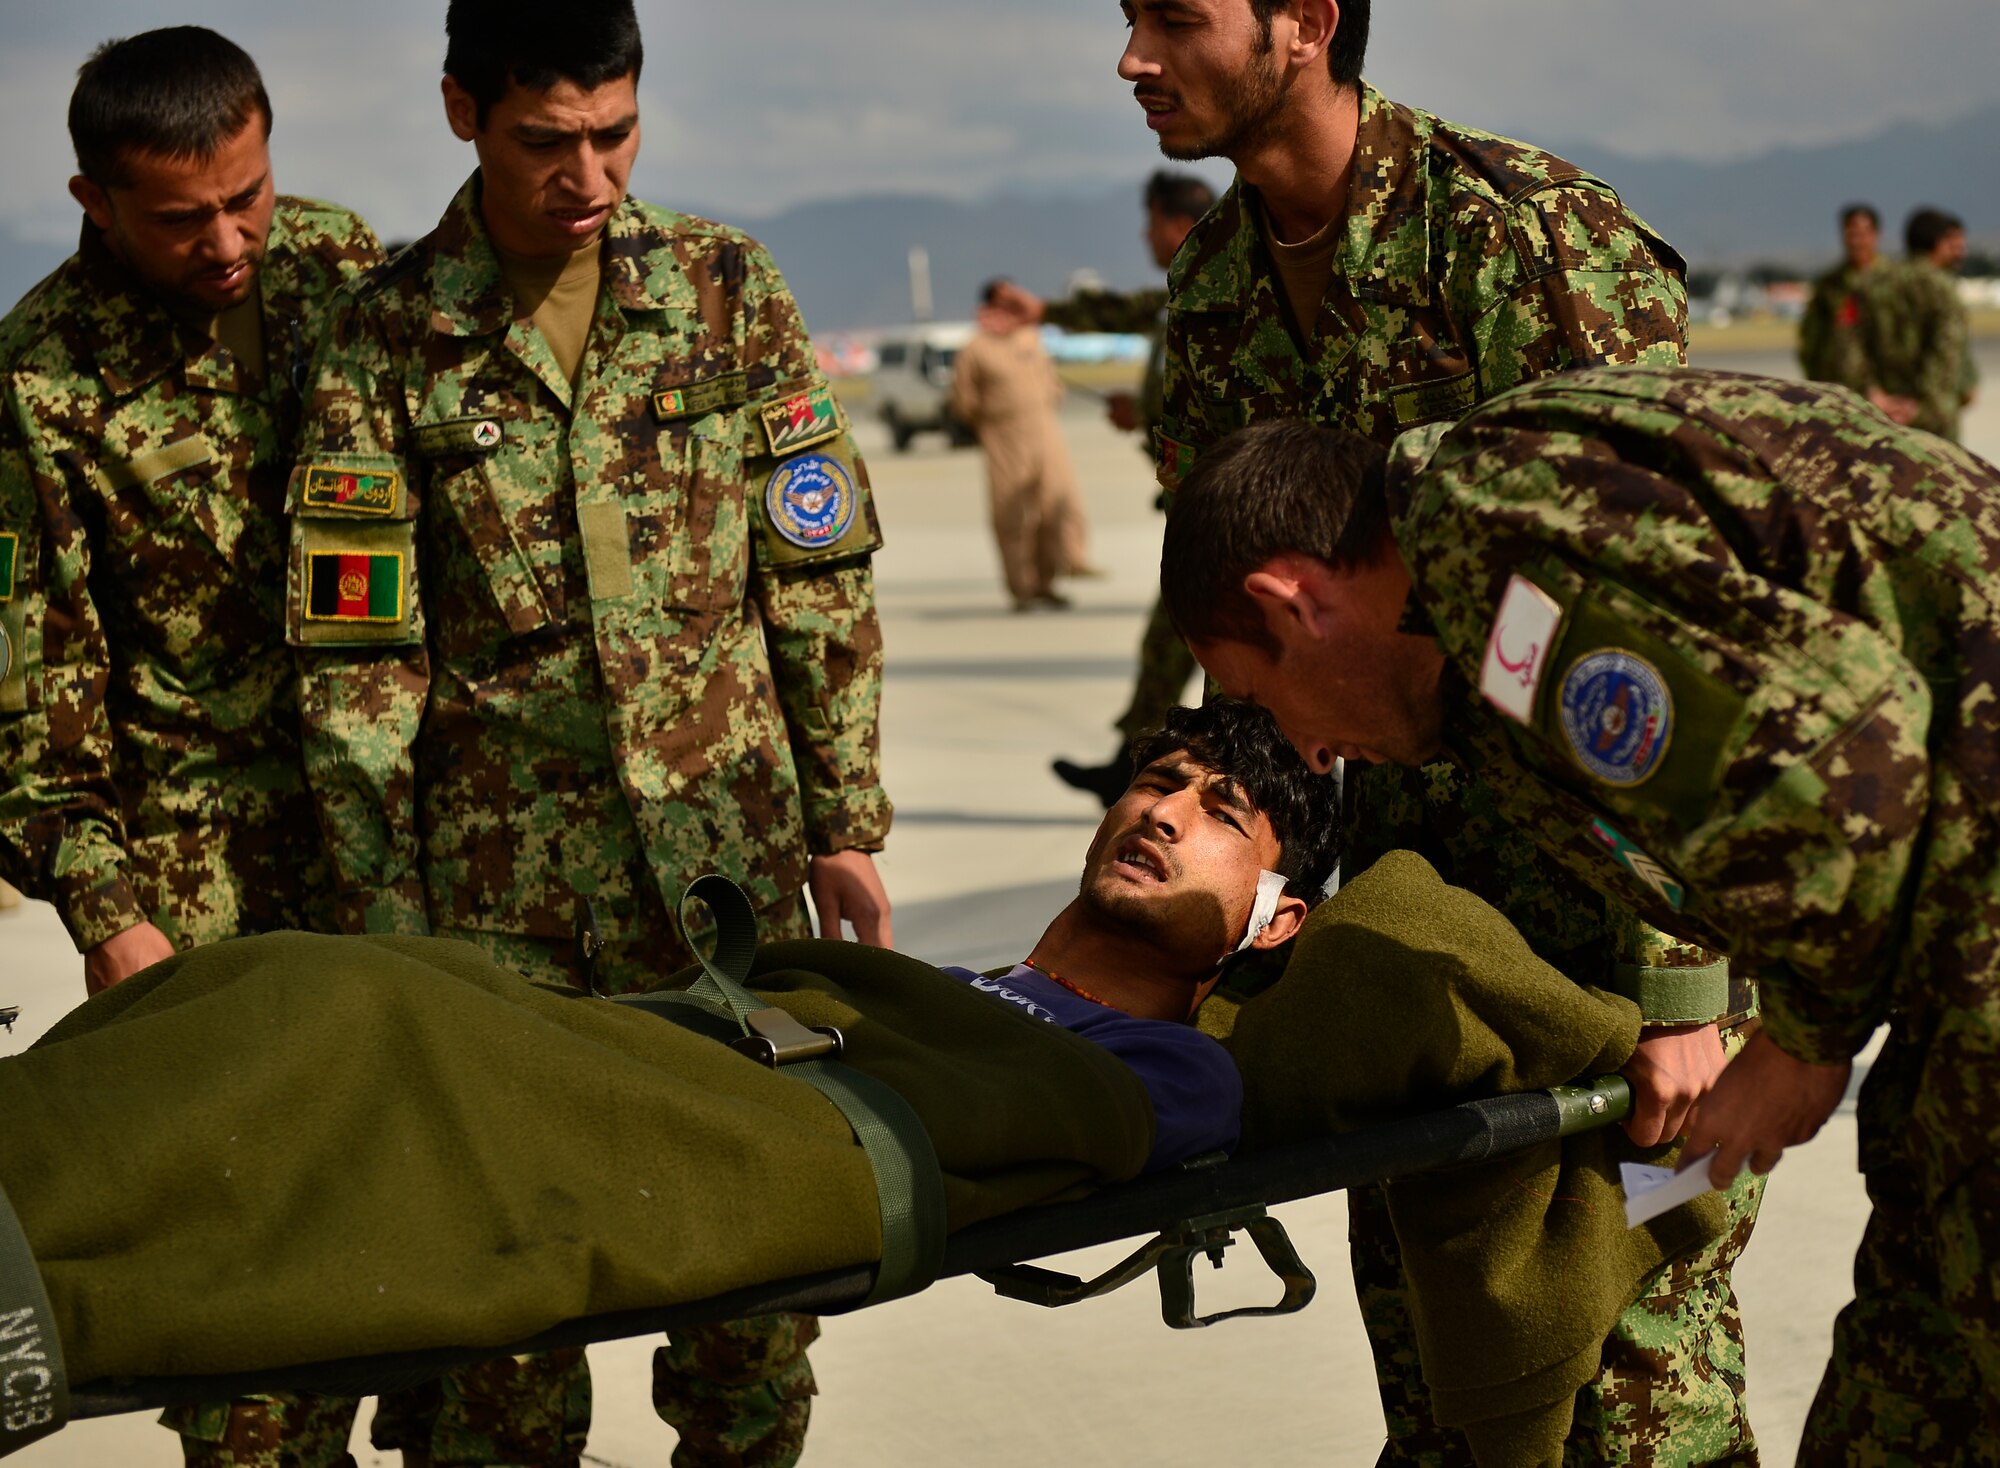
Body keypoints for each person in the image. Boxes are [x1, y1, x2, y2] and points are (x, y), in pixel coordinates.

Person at [1115, 3, 1757, 1463]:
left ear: (1305, 25)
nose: (1135, 60)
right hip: (1420, 941)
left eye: (1176, 18)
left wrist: (1683, 993)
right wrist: (1226, 943)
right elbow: (1251, 652)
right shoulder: (1214, 294)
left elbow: (1664, 624)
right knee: (1443, 1373)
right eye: (1129, 19)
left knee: (1637, 1395)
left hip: (1618, 927)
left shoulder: (1521, 239)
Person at [1159, 365, 2000, 1462]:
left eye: (1266, 695)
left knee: (1935, 1371)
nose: (1307, 752)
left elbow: (1842, 758)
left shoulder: (1486, 534)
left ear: (1292, 603)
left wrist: (1802, 1040)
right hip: (1959, 890)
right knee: (1918, 1374)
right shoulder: (1468, 576)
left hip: (1969, 890)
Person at [289, 1, 891, 1463]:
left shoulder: (727, 287)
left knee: (757, 1293)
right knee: (506, 1326)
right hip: (505, 919)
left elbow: (812, 573)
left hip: (725, 889)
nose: (590, 175)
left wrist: (848, 818)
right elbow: (363, 668)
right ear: (462, 113)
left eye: (616, 132)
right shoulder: (385, 335)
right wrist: (390, 922)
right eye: (546, 141)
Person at [0, 27, 383, 1466]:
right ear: (93, 199)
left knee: (444, 1209)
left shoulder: (346, 269)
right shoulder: (35, 380)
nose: (229, 241)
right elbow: (28, 684)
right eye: (181, 218)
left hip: (396, 818)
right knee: (248, 1256)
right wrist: (109, 911)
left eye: (250, 195)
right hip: (194, 857)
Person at [958, 697, 1339, 1162]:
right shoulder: (952, 984)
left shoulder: (1176, 1075)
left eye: (1223, 816)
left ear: (1273, 920)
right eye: (1158, 785)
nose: (1162, 814)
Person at [1020, 170, 1217, 807]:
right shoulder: (1186, 285)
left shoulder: (1222, 285)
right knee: (1168, 643)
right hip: (1198, 510)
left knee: (1209, 650)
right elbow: (1129, 313)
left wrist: (1149, 417)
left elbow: (1213, 403)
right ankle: (1132, 765)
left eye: (1151, 223)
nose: (1144, 237)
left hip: (1224, 515)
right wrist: (1042, 312)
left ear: (1177, 223)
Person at [948, 279, 1094, 611]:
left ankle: (1049, 580)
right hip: (1003, 434)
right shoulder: (975, 349)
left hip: (1045, 428)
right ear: (987, 307)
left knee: (1055, 501)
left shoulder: (1030, 338)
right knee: (1012, 512)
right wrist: (992, 423)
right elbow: (963, 401)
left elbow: (1052, 385)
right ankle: (1022, 588)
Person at [1860, 206, 1977, 441]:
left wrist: (1874, 394)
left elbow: (1851, 344)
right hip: (1932, 418)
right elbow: (1946, 354)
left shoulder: (1874, 282)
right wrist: (1919, 408)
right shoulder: (1941, 287)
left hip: (1880, 412)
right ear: (1937, 242)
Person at [1798, 202, 1881, 392]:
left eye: (1862, 234)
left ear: (1875, 235)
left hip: (1887, 394)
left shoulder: (1895, 281)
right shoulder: (1830, 285)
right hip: (1840, 392)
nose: (1856, 241)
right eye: (1850, 234)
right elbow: (1811, 341)